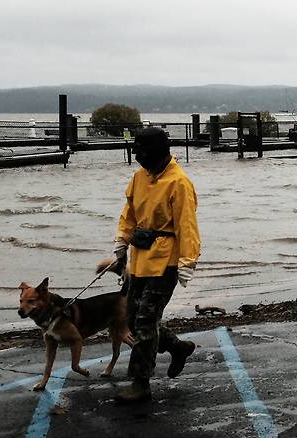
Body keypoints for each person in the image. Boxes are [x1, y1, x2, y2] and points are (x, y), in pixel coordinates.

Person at [113, 127, 201, 403]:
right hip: (140, 258)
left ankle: (141, 382)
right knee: (132, 317)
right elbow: (129, 214)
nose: (137, 155)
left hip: (167, 262)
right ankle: (176, 347)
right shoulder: (139, 178)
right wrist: (121, 242)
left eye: (141, 150)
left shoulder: (179, 183)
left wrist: (188, 261)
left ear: (157, 151)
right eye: (135, 150)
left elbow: (187, 225)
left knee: (145, 321)